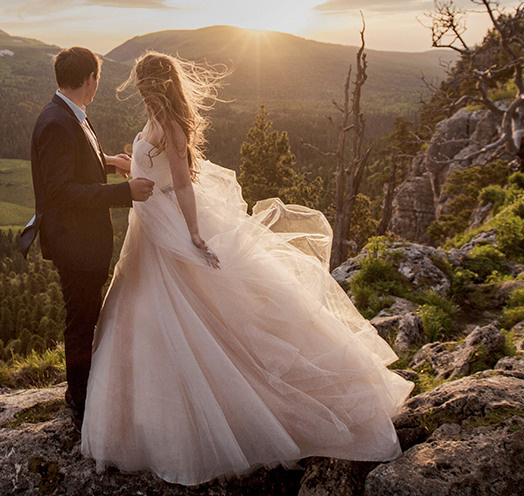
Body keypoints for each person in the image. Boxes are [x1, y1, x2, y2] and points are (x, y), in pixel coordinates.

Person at [81, 51, 412, 485]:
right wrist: (115, 164)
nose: (138, 89)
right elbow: (152, 165)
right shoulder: (155, 121)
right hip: (147, 224)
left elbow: (181, 183)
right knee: (142, 313)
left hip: (167, 223)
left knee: (185, 312)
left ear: (152, 86)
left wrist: (195, 234)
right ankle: (149, 414)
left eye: (142, 82)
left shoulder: (174, 126)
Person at [28, 46, 155, 428]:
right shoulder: (56, 121)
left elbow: (76, 162)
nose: (97, 83)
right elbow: (61, 191)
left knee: (88, 314)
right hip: (74, 243)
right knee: (81, 319)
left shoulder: (69, 114)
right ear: (90, 79)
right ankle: (80, 402)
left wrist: (110, 162)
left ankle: (85, 393)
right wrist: (124, 194)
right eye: (97, 77)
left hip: (84, 241)